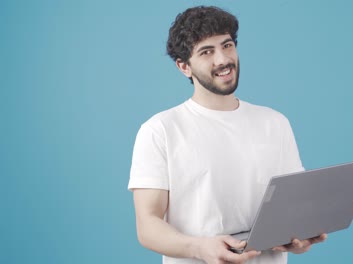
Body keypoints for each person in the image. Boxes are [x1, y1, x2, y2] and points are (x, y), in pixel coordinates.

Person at [128, 6, 327, 264]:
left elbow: (293, 206)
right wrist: (199, 248)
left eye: (227, 45)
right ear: (184, 67)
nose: (223, 59)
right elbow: (148, 225)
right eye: (206, 52)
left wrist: (298, 237)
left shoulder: (275, 123)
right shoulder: (160, 130)